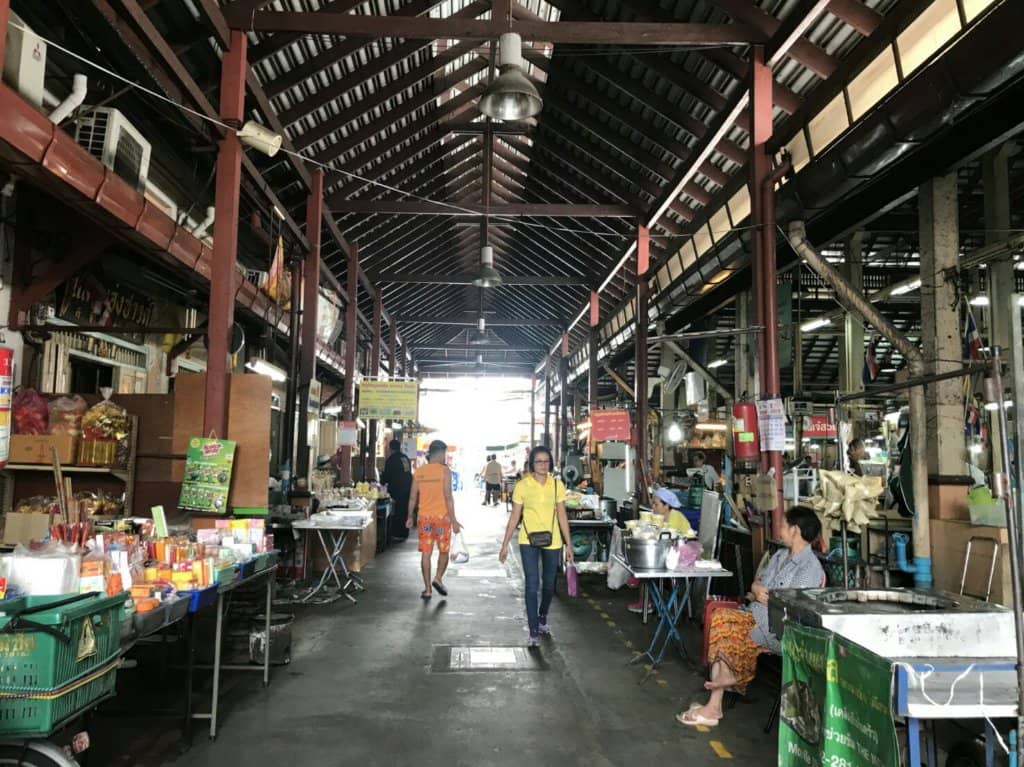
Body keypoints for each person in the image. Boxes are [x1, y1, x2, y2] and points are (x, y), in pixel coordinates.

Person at [676, 505, 824, 727]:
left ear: (795, 530)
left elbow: (794, 608)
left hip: (778, 629)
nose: (779, 530)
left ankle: (721, 696)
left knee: (726, 622)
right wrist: (756, 590)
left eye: (783, 525)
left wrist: (763, 596)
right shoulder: (780, 555)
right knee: (723, 623)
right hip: (753, 616)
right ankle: (717, 699)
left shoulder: (810, 567)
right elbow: (758, 583)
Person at [499, 446, 574, 647]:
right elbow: (515, 516)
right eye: (539, 461)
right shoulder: (523, 486)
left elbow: (562, 515)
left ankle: (543, 615)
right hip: (527, 540)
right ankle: (533, 629)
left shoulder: (557, 485)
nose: (543, 465)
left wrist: (568, 544)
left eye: (546, 461)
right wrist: (505, 544)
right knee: (532, 584)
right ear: (532, 464)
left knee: (549, 584)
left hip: (553, 541)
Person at [406, 440, 461, 600]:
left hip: (425, 519)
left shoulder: (419, 472)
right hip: (442, 518)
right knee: (444, 550)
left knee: (426, 553)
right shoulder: (445, 471)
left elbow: (412, 497)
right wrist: (454, 520)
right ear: (441, 453)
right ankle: (438, 578)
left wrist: (410, 516)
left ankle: (428, 589)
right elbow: (448, 497)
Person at [627, 486, 693, 614]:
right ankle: (645, 602)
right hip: (669, 552)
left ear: (666, 505)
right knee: (645, 564)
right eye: (653, 505)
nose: (653, 508)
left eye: (656, 505)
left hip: (683, 555)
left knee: (646, 567)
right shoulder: (659, 518)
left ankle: (646, 603)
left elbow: (667, 539)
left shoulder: (675, 516)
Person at [381, 439, 413, 542]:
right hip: (407, 488)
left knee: (397, 512)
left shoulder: (391, 459)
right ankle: (404, 532)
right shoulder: (405, 458)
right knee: (404, 510)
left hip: (397, 490)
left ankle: (397, 533)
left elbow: (386, 477)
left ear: (390, 448)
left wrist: (381, 481)